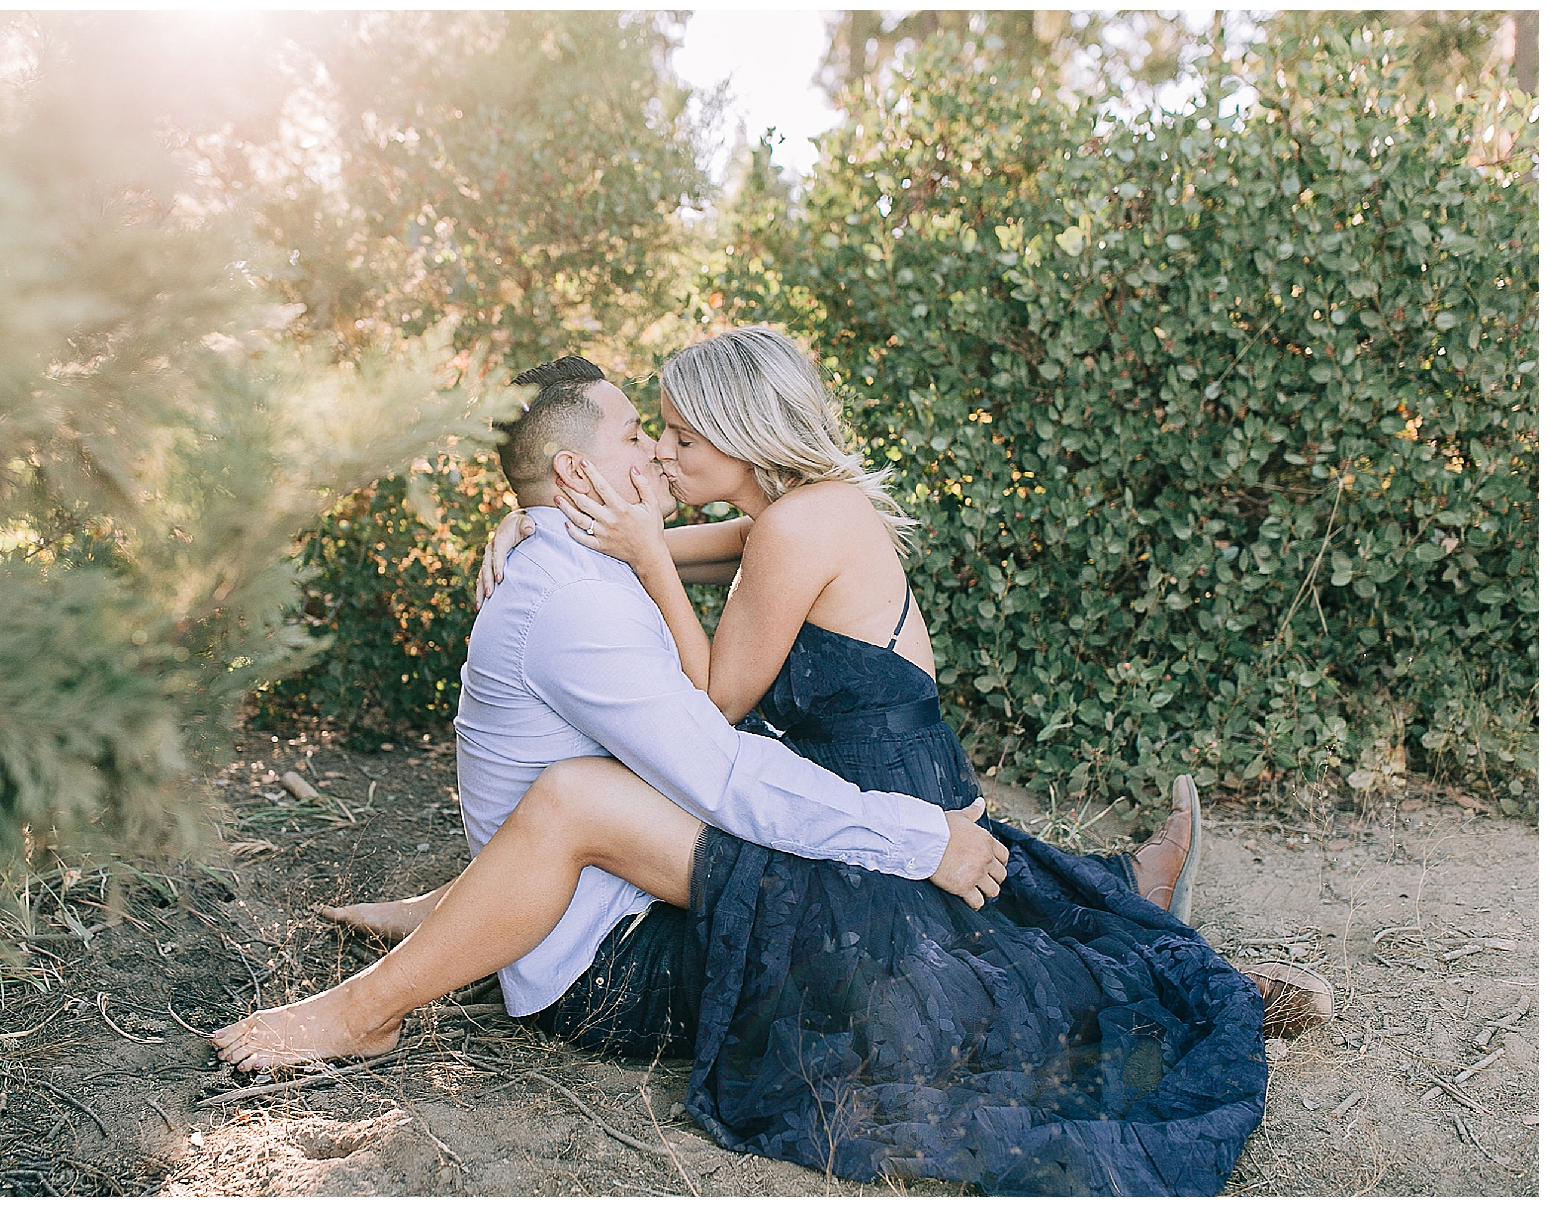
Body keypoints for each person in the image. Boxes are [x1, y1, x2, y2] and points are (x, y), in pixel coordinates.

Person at [216, 341, 1271, 1194]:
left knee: (965, 938)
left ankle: (1152, 946)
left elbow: (712, 725)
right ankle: (1144, 940)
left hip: (840, 792)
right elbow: (714, 755)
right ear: (581, 471)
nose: (662, 456)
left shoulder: (732, 537)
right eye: (644, 435)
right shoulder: (594, 586)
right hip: (648, 919)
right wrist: (537, 510)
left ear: (737, 435)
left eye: (672, 436)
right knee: (913, 914)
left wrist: (563, 513)